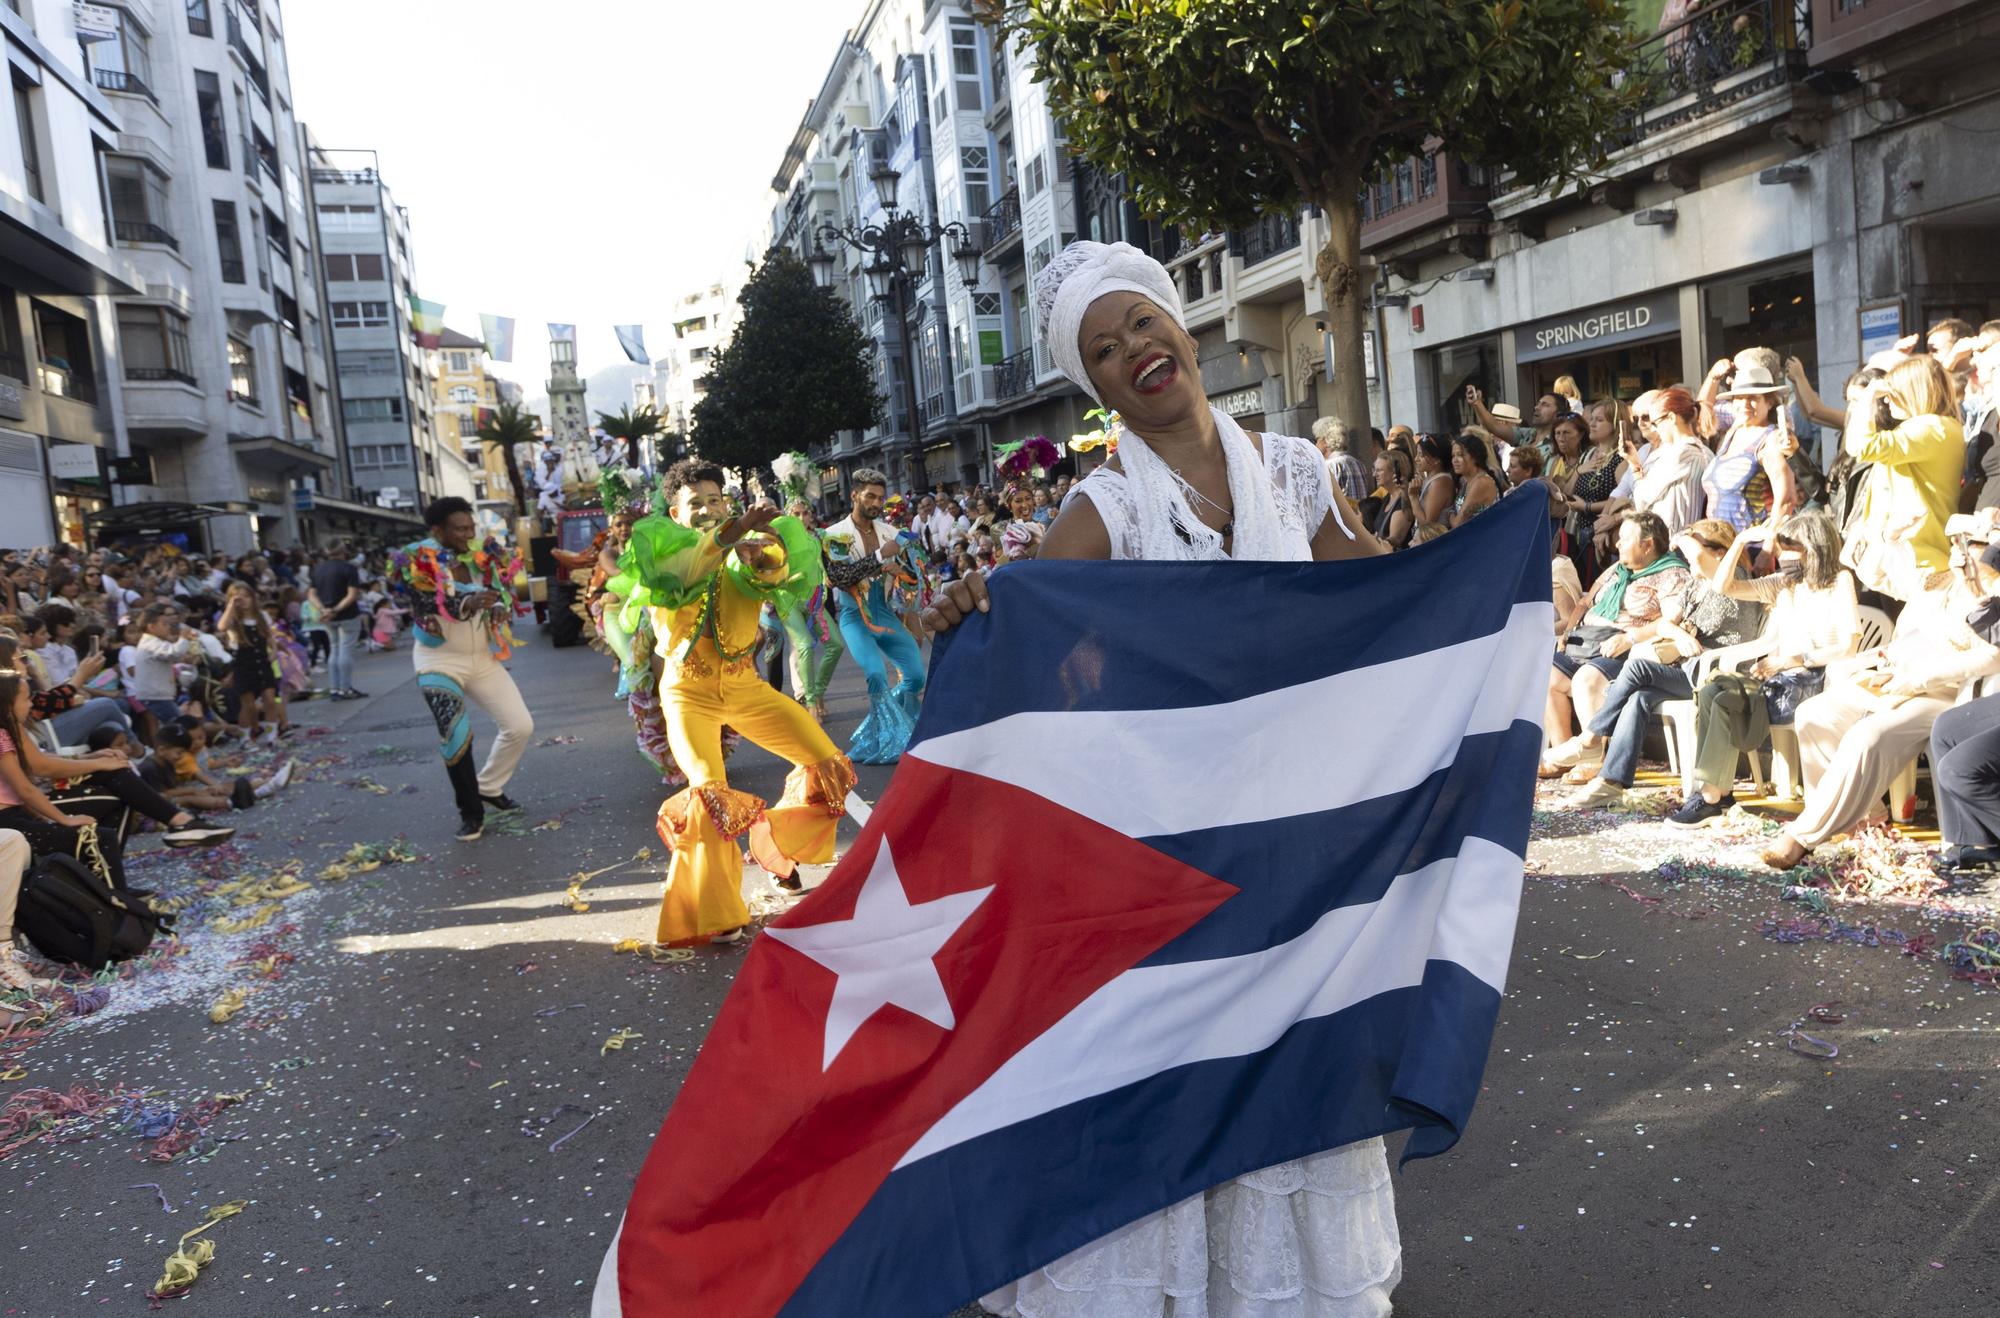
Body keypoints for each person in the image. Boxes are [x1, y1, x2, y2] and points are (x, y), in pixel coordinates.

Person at [925, 238, 1396, 1318]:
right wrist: (966, 614)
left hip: (1289, 838)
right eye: (1102, 347)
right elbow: (1024, 631)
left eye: (1141, 322)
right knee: (1179, 1065)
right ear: (1093, 385)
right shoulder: (1104, 508)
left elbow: (1369, 580)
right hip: (1164, 849)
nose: (1133, 347)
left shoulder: (1292, 472)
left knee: (1281, 1061)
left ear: (1180, 328)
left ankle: (1281, 1292)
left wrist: (1480, 573)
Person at [613, 459, 854, 944]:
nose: (707, 510)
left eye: (715, 501)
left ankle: (774, 848)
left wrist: (765, 551)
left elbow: (771, 574)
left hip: (745, 688)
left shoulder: (744, 545)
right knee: (709, 796)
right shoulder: (662, 555)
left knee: (827, 764)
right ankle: (719, 910)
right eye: (695, 503)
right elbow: (688, 569)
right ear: (676, 513)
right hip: (688, 695)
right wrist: (731, 533)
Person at [1760, 529, 2000, 867]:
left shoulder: (1991, 595)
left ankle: (1803, 836)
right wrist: (1886, 534)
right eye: (1958, 544)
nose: (1961, 554)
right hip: (1892, 677)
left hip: (1942, 692)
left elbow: (1991, 658)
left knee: (1867, 735)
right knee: (1815, 714)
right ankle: (1864, 815)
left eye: (1973, 547)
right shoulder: (1936, 584)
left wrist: (1919, 677)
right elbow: (1864, 566)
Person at [1661, 509, 1862, 825]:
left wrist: (1794, 659)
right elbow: (1722, 587)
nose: (1785, 556)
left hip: (1816, 681)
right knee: (1714, 687)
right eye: (1783, 548)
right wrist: (1740, 541)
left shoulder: (1840, 581)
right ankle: (1713, 793)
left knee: (1723, 695)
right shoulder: (1784, 584)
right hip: (1779, 682)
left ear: (1815, 547)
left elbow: (1848, 645)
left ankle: (1713, 796)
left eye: (1792, 548)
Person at [1557, 519, 1768, 807]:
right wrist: (1678, 633)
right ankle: (1611, 782)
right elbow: (1664, 626)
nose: (1686, 559)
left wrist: (1683, 538)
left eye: (1695, 553)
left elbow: (1698, 628)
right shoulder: (1697, 585)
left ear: (1718, 554)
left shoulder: (1734, 582)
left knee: (1637, 669)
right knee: (1638, 698)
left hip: (1716, 674)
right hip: (1688, 669)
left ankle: (1590, 739)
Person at [392, 496, 535, 842]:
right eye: (460, 529)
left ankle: (488, 786)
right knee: (457, 734)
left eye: (471, 527)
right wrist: (467, 602)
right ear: (437, 530)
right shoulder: (415, 559)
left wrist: (498, 605)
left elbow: (500, 587)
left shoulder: (483, 551)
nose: (468, 534)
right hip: (437, 660)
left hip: (481, 658)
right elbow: (426, 602)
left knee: (520, 726)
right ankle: (471, 814)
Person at [1545, 511, 1690, 757]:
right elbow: (1585, 603)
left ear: (1647, 545)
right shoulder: (1618, 569)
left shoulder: (1672, 574)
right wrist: (1568, 631)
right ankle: (1563, 753)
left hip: (1629, 645)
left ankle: (1593, 759)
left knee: (1585, 680)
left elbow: (1670, 622)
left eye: (1625, 539)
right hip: (1588, 639)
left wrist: (1628, 638)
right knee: (1547, 675)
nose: (1617, 544)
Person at [822, 470, 928, 764]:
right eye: (870, 496)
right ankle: (889, 738)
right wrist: (881, 558)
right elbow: (840, 577)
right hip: (854, 616)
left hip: (884, 612)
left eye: (881, 497)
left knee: (916, 675)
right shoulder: (833, 535)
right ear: (854, 495)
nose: (876, 502)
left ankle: (883, 730)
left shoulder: (891, 533)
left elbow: (915, 579)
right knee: (876, 674)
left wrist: (902, 573)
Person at [1840, 354, 1967, 597]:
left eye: (1892, 391)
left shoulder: (1933, 428)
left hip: (1921, 561)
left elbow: (1859, 446)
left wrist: (1867, 396)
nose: (1885, 399)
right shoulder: (1932, 428)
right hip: (1911, 556)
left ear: (1914, 391)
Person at [1702, 364, 1798, 532]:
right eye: (1739, 398)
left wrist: (1766, 549)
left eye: (1753, 397)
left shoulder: (1771, 439)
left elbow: (1787, 500)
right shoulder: (1732, 433)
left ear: (1769, 402)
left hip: (1753, 548)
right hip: (1724, 546)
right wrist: (1713, 377)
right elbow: (1702, 413)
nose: (1745, 403)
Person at [218, 582, 292, 744]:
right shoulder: (233, 619)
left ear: (252, 598)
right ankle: (245, 737)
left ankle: (272, 735)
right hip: (243, 663)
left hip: (262, 661)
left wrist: (273, 650)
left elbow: (268, 636)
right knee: (248, 705)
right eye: (238, 598)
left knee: (270, 699)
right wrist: (231, 606)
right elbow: (221, 626)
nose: (243, 601)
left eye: (246, 596)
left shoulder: (261, 616)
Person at [309, 540, 367, 700]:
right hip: (347, 614)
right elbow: (352, 594)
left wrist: (323, 610)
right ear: (343, 551)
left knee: (334, 649)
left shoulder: (318, 569)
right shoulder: (349, 568)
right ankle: (345, 688)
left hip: (326, 616)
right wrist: (336, 609)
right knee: (345, 650)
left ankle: (335, 688)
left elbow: (311, 594)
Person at [1449, 432, 1500, 528]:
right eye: (1453, 456)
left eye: (1460, 455)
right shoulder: (1466, 480)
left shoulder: (1481, 482)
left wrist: (1450, 513)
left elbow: (1457, 524)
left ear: (1475, 457)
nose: (1455, 460)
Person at [1314, 416, 1368, 504]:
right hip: (1360, 514)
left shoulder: (1329, 465)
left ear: (1325, 440)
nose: (1315, 444)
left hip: (1342, 516)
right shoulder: (1357, 463)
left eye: (1316, 439)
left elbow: (1325, 500)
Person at [1372, 448, 1414, 550]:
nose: (1374, 474)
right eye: (1374, 470)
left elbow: (1394, 541)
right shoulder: (1388, 497)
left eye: (1380, 470)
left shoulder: (1403, 501)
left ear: (1395, 473)